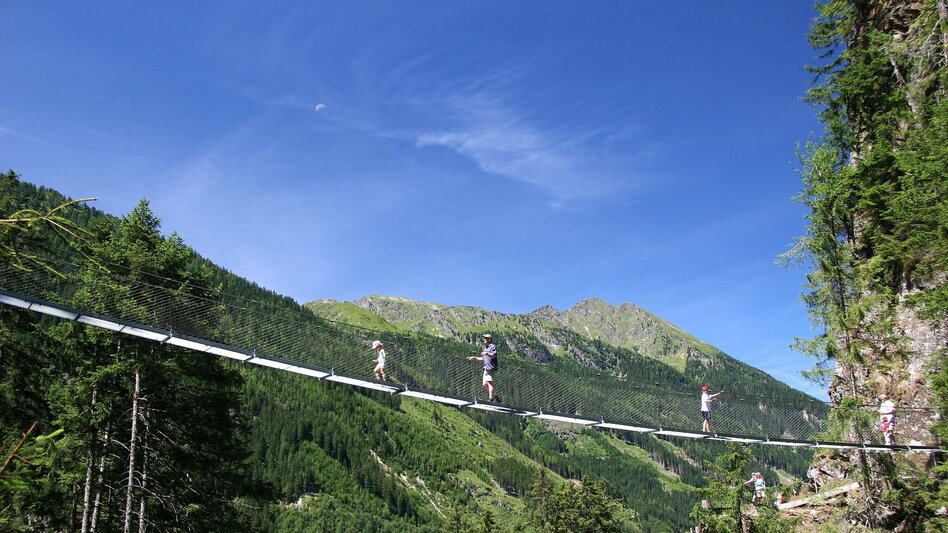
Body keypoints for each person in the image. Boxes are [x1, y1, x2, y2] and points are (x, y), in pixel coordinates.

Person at [467, 333, 499, 402]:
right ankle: (494, 395)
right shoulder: (485, 348)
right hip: (486, 369)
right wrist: (474, 358)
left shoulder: (492, 346)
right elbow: (483, 358)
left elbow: (493, 355)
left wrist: (487, 353)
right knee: (485, 384)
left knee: (489, 383)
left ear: (489, 339)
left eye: (485, 338)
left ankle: (491, 398)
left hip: (491, 368)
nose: (484, 340)